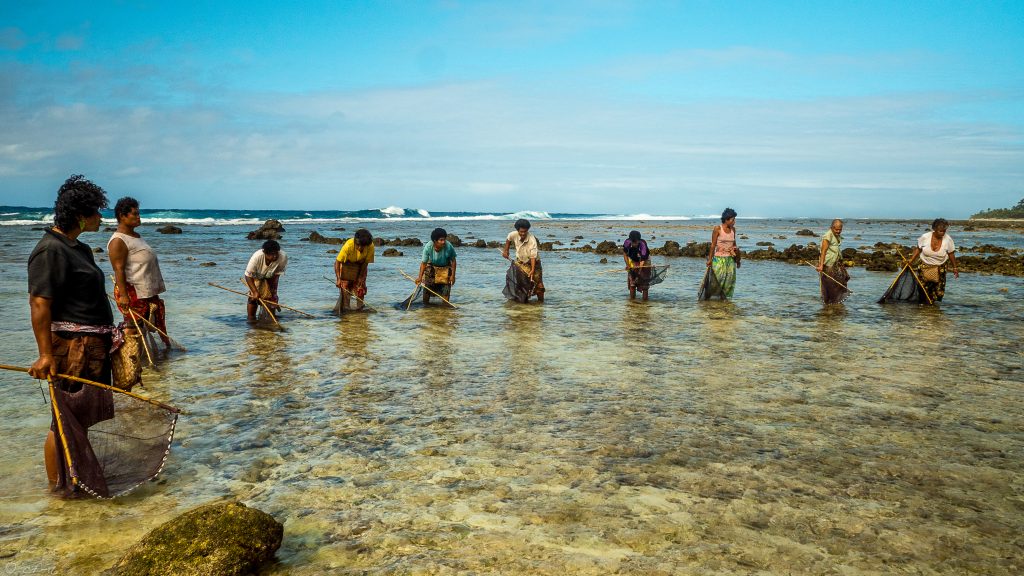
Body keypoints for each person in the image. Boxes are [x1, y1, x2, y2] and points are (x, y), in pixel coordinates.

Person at [27, 174, 115, 496]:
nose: (101, 218)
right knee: (63, 422)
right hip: (73, 349)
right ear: (81, 215)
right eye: (96, 212)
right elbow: (39, 303)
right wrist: (46, 354)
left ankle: (75, 478)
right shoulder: (50, 250)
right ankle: (57, 490)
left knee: (82, 421)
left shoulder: (80, 249)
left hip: (92, 348)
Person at [108, 197, 170, 346]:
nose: (138, 217)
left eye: (138, 213)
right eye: (134, 214)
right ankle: (132, 360)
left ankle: (152, 362)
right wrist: (123, 296)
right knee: (133, 328)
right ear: (122, 216)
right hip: (132, 292)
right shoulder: (118, 241)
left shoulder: (136, 237)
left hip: (146, 292)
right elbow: (119, 269)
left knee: (146, 327)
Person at [908, 218, 958, 303]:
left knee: (938, 293)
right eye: (940, 231)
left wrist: (955, 268)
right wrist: (911, 260)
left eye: (944, 231)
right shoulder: (925, 237)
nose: (942, 233)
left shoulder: (948, 239)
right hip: (924, 266)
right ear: (934, 229)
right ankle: (924, 309)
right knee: (923, 289)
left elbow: (951, 254)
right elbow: (918, 249)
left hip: (940, 267)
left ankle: (932, 310)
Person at [701, 208, 741, 300]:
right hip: (719, 259)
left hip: (730, 260)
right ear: (726, 219)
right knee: (717, 281)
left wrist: (738, 260)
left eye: (734, 219)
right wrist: (710, 260)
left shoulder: (733, 230)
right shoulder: (717, 229)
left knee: (729, 282)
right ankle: (711, 300)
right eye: (732, 219)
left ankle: (725, 302)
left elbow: (734, 245)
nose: (734, 221)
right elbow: (713, 245)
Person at [502, 218, 544, 303]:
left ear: (527, 230)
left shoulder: (532, 240)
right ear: (517, 230)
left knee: (539, 286)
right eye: (521, 231)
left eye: (525, 231)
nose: (523, 233)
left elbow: (533, 256)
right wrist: (506, 251)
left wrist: (532, 270)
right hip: (520, 263)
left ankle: (541, 303)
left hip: (534, 263)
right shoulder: (513, 234)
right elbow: (508, 240)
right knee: (521, 283)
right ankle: (522, 302)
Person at [245, 240, 287, 322]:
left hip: (271, 274)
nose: (274, 256)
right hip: (256, 274)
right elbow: (248, 276)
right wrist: (255, 292)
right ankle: (251, 319)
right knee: (253, 297)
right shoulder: (257, 257)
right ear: (265, 252)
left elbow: (276, 275)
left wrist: (269, 292)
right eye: (271, 254)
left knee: (271, 297)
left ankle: (270, 319)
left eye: (276, 253)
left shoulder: (283, 257)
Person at [334, 228, 374, 312]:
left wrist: (360, 277)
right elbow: (337, 262)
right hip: (347, 265)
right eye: (358, 245)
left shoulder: (370, 246)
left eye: (362, 246)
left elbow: (365, 263)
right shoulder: (348, 246)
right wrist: (338, 279)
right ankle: (346, 309)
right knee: (345, 288)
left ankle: (360, 309)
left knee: (360, 288)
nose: (360, 248)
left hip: (361, 265)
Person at [416, 227, 457, 304]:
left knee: (445, 294)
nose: (443, 242)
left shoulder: (449, 247)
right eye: (441, 240)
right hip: (432, 268)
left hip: (445, 268)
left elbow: (453, 261)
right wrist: (420, 277)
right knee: (427, 291)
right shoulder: (428, 247)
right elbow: (423, 263)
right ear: (435, 241)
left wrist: (453, 276)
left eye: (444, 239)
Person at [815, 219, 851, 304]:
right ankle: (829, 303)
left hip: (835, 263)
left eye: (840, 229)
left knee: (839, 282)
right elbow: (823, 251)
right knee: (830, 285)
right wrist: (821, 266)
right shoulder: (828, 236)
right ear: (832, 227)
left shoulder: (836, 235)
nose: (838, 231)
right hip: (828, 265)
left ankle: (836, 302)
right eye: (836, 229)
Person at [623, 230, 651, 300]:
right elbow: (625, 254)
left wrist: (639, 272)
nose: (635, 244)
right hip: (633, 260)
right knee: (632, 283)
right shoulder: (627, 243)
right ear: (630, 240)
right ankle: (632, 303)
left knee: (644, 283)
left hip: (644, 261)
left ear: (639, 240)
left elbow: (642, 261)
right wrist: (628, 265)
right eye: (633, 242)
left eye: (636, 242)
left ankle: (645, 303)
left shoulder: (643, 245)